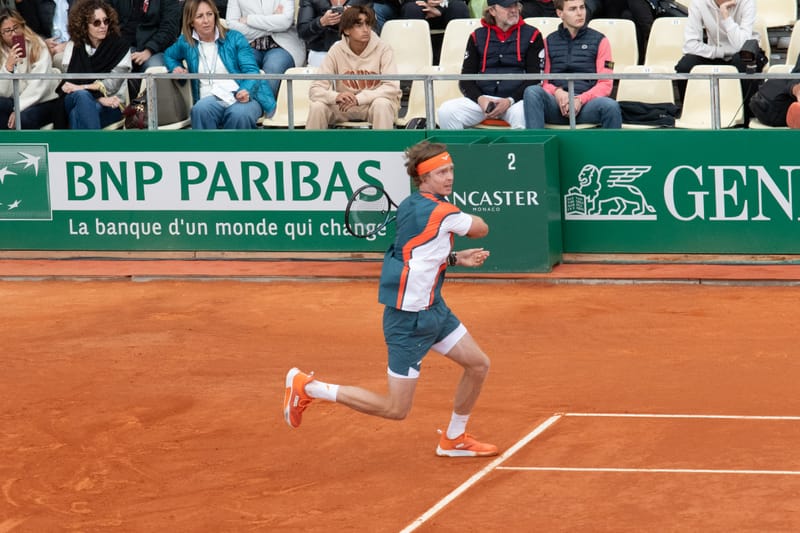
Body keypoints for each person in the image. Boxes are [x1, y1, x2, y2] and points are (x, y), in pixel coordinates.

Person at [284, 140, 498, 458]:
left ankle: (454, 438)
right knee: (395, 409)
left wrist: (454, 259)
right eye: (441, 172)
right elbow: (481, 228)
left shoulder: (413, 205)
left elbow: (419, 256)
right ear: (424, 178)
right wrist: (462, 222)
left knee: (478, 365)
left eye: (451, 170)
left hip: (434, 310)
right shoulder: (441, 211)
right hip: (408, 321)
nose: (449, 177)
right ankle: (308, 387)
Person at [163, 0, 276, 129]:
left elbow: (252, 71)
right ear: (191, 21)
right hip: (209, 98)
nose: (206, 20)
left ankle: (237, 149)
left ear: (215, 16)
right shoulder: (185, 42)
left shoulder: (235, 38)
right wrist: (176, 68)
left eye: (209, 14)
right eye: (199, 16)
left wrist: (245, 90)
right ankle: (208, 149)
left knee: (238, 114)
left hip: (241, 95)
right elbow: (169, 55)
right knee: (200, 110)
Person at [437, 0, 545, 130]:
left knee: (523, 113)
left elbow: (535, 78)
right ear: (492, 11)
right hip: (483, 100)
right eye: (507, 7)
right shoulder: (477, 36)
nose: (513, 10)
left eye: (515, 5)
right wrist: (480, 99)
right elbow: (466, 79)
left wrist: (510, 100)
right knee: (446, 111)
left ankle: (516, 151)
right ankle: (458, 151)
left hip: (516, 101)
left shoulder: (533, 34)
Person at [522, 0, 621, 129]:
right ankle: (537, 147)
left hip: (587, 105)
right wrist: (558, 93)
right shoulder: (548, 41)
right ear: (560, 13)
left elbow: (606, 84)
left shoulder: (601, 40)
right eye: (572, 9)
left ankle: (611, 149)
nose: (579, 13)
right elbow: (543, 81)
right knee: (532, 92)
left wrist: (580, 99)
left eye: (582, 7)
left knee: (611, 106)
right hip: (556, 105)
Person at [306, 4, 401, 129]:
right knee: (317, 106)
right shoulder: (336, 50)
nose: (366, 29)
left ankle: (382, 148)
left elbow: (391, 88)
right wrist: (336, 97)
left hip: (372, 104)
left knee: (382, 104)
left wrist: (359, 99)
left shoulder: (384, 49)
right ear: (346, 30)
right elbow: (315, 89)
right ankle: (313, 148)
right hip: (344, 105)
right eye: (359, 25)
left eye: (368, 24)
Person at [53, 0, 131, 129]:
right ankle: (95, 147)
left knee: (76, 113)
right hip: (81, 99)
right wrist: (98, 98)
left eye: (106, 21)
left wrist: (82, 87)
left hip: (112, 104)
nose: (103, 26)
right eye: (96, 22)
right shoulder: (74, 46)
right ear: (84, 25)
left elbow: (111, 86)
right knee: (81, 97)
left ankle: (84, 147)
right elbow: (69, 86)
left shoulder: (120, 47)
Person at [674, 0, 765, 105]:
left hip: (747, 52)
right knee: (685, 65)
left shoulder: (747, 2)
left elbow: (743, 45)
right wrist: (722, 52)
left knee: (743, 61)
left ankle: (747, 115)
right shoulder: (699, 3)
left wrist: (726, 17)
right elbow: (690, 46)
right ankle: (689, 110)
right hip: (715, 52)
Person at [225, 0, 306, 96]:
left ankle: (266, 109)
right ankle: (251, 108)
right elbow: (232, 25)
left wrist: (249, 20)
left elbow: (285, 22)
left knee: (273, 68)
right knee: (241, 69)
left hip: (282, 45)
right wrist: (273, 25)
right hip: (250, 44)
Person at [107, 0, 181, 96]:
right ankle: (116, 109)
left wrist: (149, 50)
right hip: (121, 46)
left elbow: (170, 27)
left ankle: (149, 110)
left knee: (156, 70)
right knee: (113, 66)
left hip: (156, 50)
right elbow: (106, 21)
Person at [0, 8, 59, 129]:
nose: (13, 33)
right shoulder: (1, 52)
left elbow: (39, 85)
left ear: (22, 26)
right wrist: (8, 68)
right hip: (16, 100)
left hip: (44, 100)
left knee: (23, 120)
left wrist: (18, 108)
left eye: (16, 28)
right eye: (7, 31)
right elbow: (2, 92)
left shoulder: (38, 45)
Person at [297, 0, 348, 67]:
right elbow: (303, 32)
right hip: (321, 52)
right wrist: (321, 22)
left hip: (356, 52)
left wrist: (355, 16)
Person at [399, 0, 470, 35]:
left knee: (459, 8)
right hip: (418, 5)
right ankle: (413, 56)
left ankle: (459, 54)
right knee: (412, 9)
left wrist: (441, 6)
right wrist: (426, 3)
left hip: (449, 4)